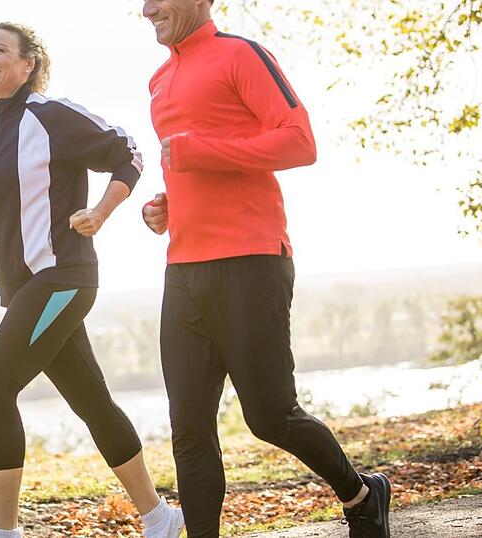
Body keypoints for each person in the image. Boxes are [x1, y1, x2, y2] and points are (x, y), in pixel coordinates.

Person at [138, 1, 392, 537]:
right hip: (183, 266)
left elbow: (300, 142)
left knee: (271, 416)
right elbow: (191, 166)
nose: (146, 9)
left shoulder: (240, 55)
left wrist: (200, 152)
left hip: (251, 260)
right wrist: (165, 207)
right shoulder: (160, 77)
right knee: (188, 427)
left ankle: (363, 495)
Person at [0, 21, 185, 538]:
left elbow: (127, 153)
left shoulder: (54, 117)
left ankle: (5, 531)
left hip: (63, 277)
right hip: (22, 291)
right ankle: (159, 517)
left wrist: (100, 212)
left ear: (28, 64)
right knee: (92, 402)